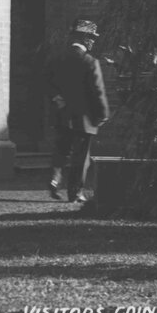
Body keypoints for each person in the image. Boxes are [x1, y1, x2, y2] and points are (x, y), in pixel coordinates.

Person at [47, 19, 110, 204]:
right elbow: (98, 91)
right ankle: (75, 193)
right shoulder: (90, 62)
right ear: (83, 39)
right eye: (91, 37)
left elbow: (46, 82)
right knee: (81, 157)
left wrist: (56, 97)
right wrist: (103, 114)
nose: (93, 41)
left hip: (62, 114)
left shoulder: (57, 58)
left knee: (61, 150)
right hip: (85, 118)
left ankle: (54, 179)